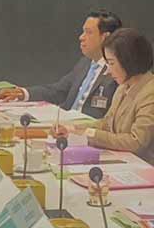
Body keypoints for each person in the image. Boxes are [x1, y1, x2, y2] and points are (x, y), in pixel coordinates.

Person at [0, 9, 123, 118]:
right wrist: (23, 93)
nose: (81, 37)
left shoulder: (118, 71)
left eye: (88, 32)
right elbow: (57, 91)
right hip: (64, 124)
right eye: (83, 31)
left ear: (105, 38)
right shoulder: (85, 63)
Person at [56, 28, 154, 162]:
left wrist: (89, 133)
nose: (107, 71)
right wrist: (72, 129)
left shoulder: (150, 92)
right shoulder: (123, 87)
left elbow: (136, 142)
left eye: (111, 63)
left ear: (129, 61)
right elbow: (106, 124)